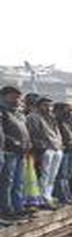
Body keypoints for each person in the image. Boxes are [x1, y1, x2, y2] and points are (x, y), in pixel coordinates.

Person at [1, 86, 31, 221]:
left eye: (19, 97)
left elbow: (24, 131)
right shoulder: (3, 112)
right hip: (9, 151)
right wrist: (14, 142)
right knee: (7, 181)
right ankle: (6, 209)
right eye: (14, 97)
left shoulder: (18, 113)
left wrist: (27, 144)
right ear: (5, 96)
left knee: (19, 181)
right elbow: (3, 134)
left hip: (22, 152)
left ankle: (18, 207)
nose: (17, 100)